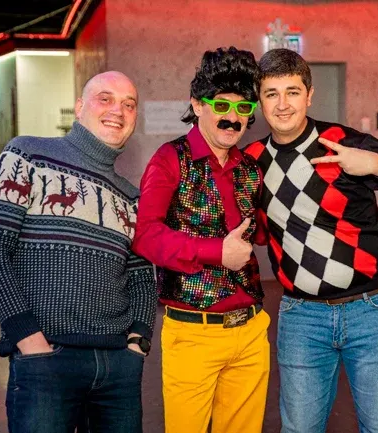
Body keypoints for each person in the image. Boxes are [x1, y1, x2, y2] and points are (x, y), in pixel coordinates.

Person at [244, 48, 378, 433]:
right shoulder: (251, 161)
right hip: (302, 318)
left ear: (309, 95)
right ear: (259, 100)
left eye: (293, 92)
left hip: (374, 311)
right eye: (271, 93)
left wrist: (377, 165)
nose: (283, 104)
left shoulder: (344, 142)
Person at [0, 71, 158, 433]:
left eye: (129, 104)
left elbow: (141, 280)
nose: (118, 111)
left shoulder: (131, 196)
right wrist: (29, 340)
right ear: (79, 107)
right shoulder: (25, 155)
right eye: (105, 99)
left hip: (117, 368)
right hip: (45, 360)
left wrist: (137, 343)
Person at [132, 47, 269, 433]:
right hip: (193, 333)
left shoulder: (250, 169)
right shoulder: (169, 159)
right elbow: (145, 235)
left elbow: (262, 232)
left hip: (250, 331)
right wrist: (215, 252)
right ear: (197, 104)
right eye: (221, 105)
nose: (233, 118)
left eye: (243, 108)